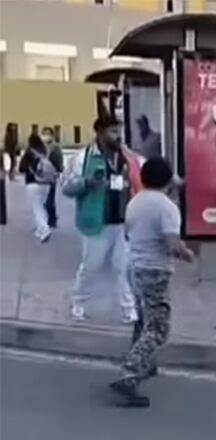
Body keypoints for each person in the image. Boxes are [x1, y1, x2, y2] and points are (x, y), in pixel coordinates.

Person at [109, 157, 194, 407]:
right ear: (168, 179)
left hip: (134, 266)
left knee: (143, 320)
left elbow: (130, 233)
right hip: (155, 270)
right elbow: (171, 245)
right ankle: (130, 371)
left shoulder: (136, 201)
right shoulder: (167, 208)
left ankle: (144, 363)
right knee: (158, 327)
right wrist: (187, 254)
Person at [63, 116, 137, 323]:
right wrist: (86, 184)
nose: (118, 136)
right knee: (91, 266)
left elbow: (141, 173)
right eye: (113, 131)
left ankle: (128, 308)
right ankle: (78, 302)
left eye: (119, 131)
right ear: (100, 133)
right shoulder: (83, 157)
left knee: (122, 267)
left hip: (122, 221)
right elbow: (66, 186)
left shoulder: (126, 156)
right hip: (96, 221)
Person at [18, 133, 58, 242]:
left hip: (33, 183)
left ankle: (44, 229)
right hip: (46, 184)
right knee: (42, 206)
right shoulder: (44, 151)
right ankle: (41, 229)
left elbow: (21, 168)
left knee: (36, 208)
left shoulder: (29, 153)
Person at [40, 127, 64, 228]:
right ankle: (47, 219)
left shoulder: (55, 148)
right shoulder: (39, 147)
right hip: (40, 177)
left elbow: (59, 162)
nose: (46, 136)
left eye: (48, 134)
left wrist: (58, 171)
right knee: (42, 200)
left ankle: (52, 219)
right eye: (44, 133)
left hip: (51, 177)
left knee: (49, 199)